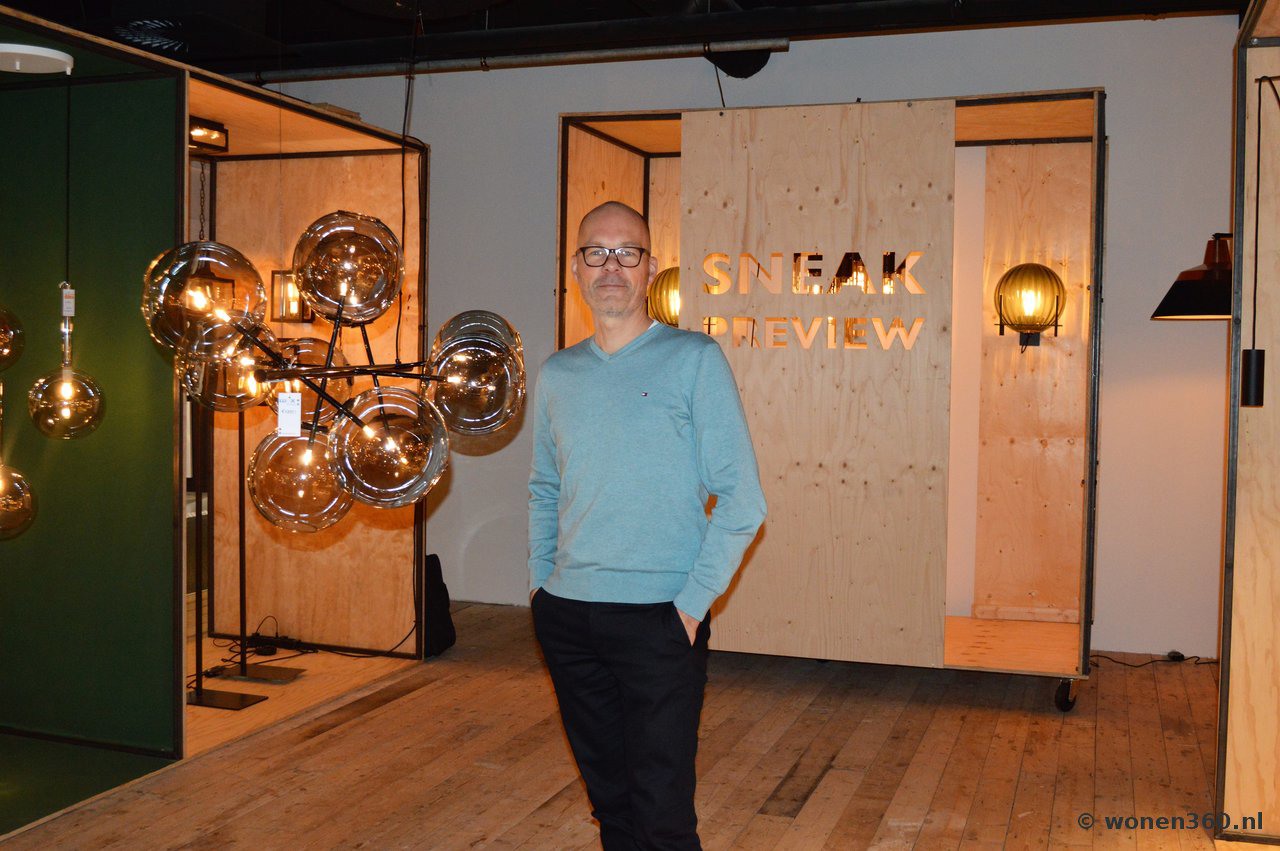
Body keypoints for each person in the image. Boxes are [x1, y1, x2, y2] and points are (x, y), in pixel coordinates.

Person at [527, 201, 767, 850]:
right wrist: (540, 586)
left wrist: (689, 609)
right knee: (611, 805)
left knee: (662, 816)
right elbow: (545, 488)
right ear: (575, 268)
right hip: (568, 617)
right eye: (596, 252)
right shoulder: (558, 373)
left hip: (660, 619)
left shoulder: (694, 359)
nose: (611, 266)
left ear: (650, 268)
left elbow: (743, 499)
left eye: (626, 252)